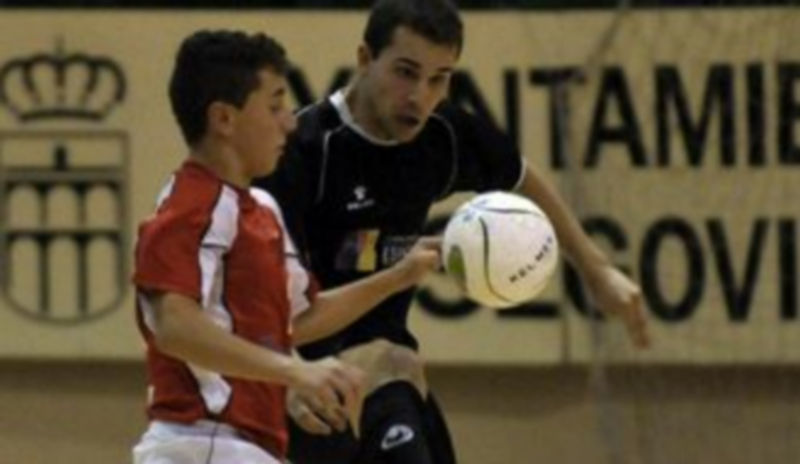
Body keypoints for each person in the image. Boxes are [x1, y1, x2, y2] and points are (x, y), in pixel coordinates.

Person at [256, 0, 651, 462]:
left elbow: (520, 176)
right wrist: (291, 373)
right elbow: (263, 309)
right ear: (364, 58)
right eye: (406, 72)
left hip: (388, 371)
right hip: (308, 386)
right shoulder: (306, 153)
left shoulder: (440, 135)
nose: (419, 96)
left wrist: (596, 269)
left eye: (439, 78)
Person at [130, 29, 441, 464]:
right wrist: (295, 370)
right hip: (199, 443)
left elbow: (298, 321)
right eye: (275, 105)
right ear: (224, 119)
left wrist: (399, 276)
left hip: (248, 448)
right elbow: (175, 327)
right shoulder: (191, 205)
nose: (290, 122)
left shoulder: (262, 209)